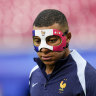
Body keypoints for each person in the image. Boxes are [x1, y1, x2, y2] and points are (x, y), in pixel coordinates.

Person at [29, 9, 96, 96]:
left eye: (52, 40)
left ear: (68, 37)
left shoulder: (86, 76)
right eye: (38, 41)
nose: (44, 49)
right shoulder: (34, 73)